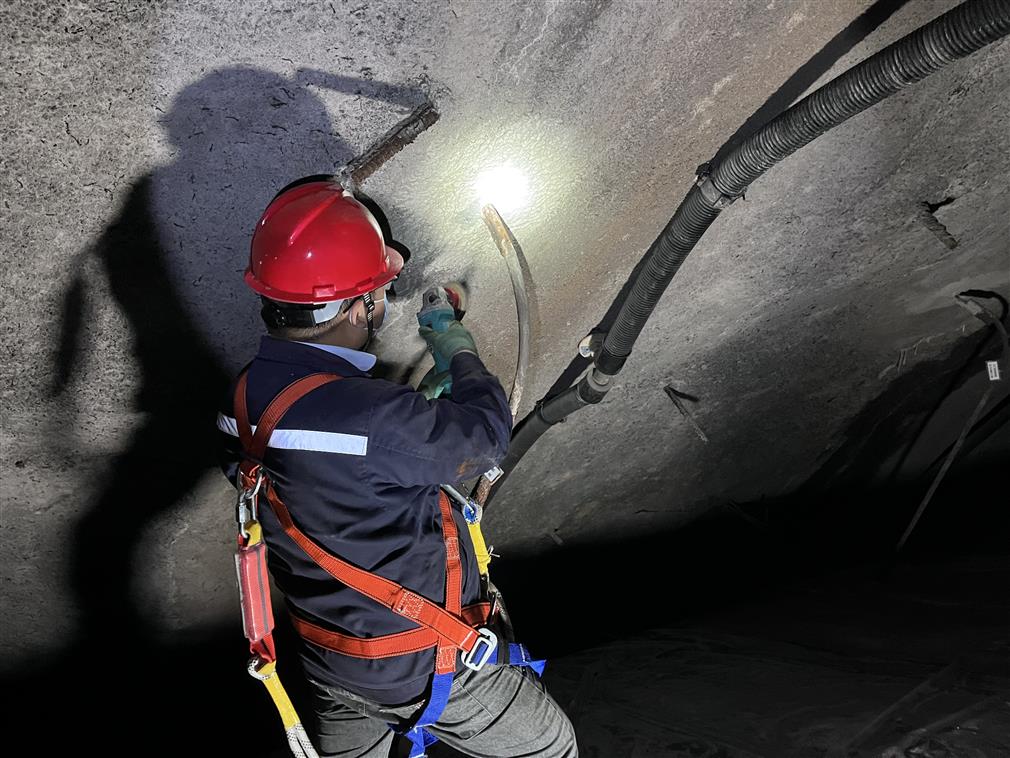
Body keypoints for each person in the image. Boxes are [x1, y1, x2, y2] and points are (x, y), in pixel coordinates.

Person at [217, 179, 577, 758]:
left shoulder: (239, 403)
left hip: (330, 663)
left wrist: (411, 422)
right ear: (354, 307)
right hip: (424, 663)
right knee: (551, 748)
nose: (382, 300)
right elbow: (485, 438)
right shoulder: (374, 418)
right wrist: (457, 349)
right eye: (377, 291)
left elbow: (331, 464)